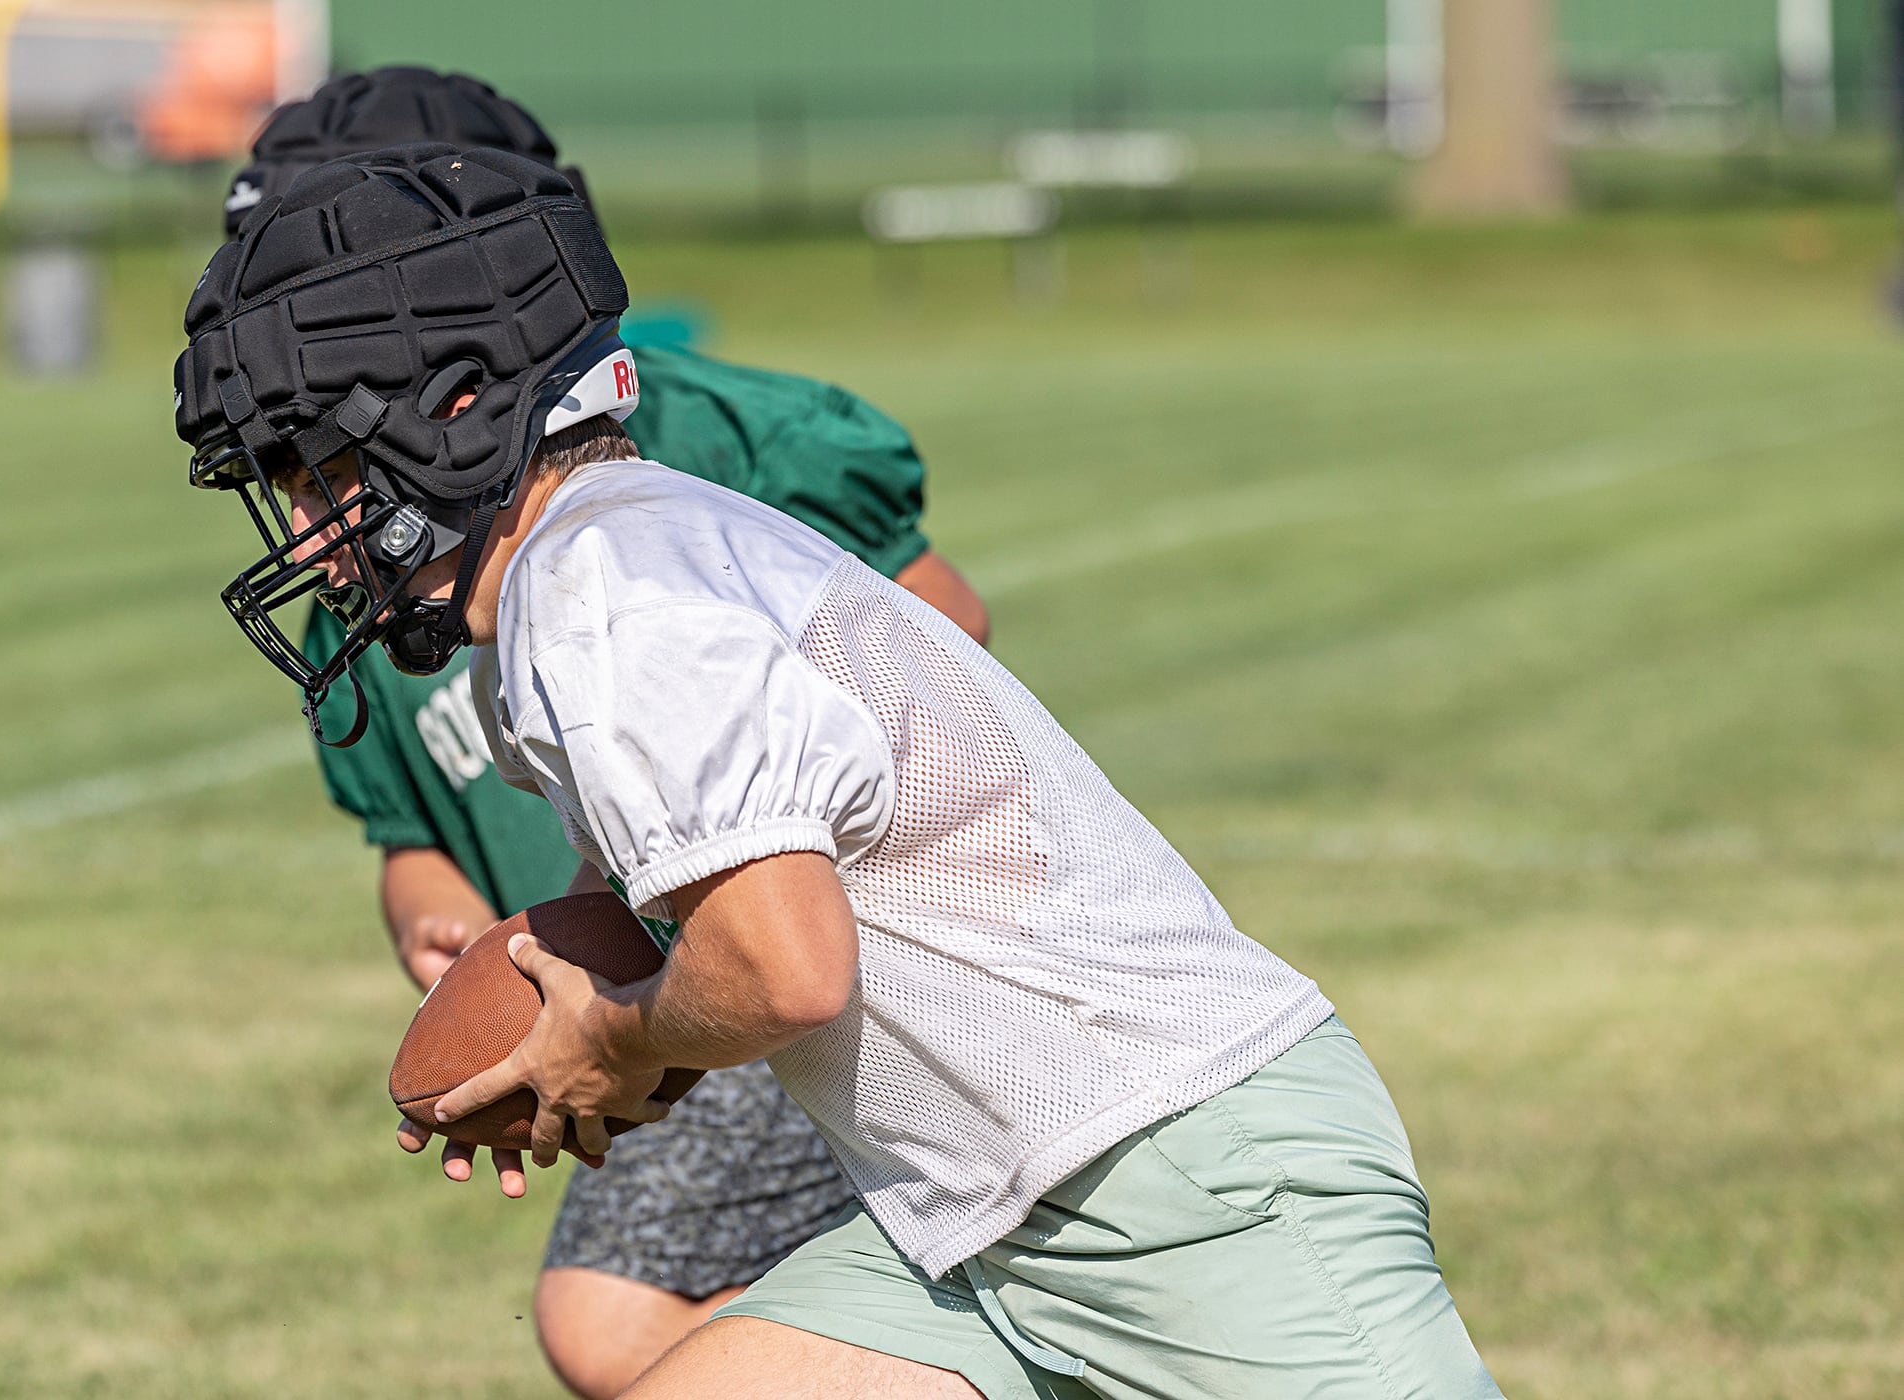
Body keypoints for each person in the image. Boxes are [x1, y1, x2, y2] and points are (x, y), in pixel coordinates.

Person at [177, 146, 1503, 1399]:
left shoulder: (602, 596)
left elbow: (785, 968)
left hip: (1177, 1179)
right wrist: (607, 1044)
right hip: (987, 1217)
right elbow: (718, 927)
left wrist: (619, 1036)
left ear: (454, 413)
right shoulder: (598, 562)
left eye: (316, 470)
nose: (306, 528)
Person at [209, 69, 987, 1400]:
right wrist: (448, 921)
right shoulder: (365, 553)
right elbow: (405, 826)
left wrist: (753, 827)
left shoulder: (630, 474)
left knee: (612, 1315)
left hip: (768, 929)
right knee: (615, 1322)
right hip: (650, 956)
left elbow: (938, 633)